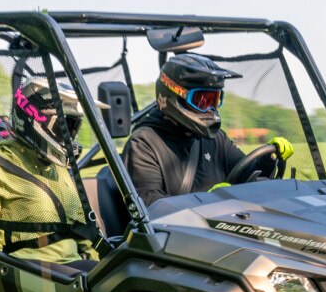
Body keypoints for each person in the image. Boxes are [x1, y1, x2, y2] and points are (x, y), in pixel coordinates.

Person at [0, 77, 103, 267]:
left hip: (72, 273)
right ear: (35, 120)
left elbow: (82, 230)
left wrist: (101, 266)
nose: (68, 137)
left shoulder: (60, 169)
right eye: (63, 127)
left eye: (72, 128)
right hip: (30, 274)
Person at [124, 53, 294, 206]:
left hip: (223, 228)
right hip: (178, 237)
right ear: (175, 95)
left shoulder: (214, 138)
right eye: (203, 101)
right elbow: (151, 205)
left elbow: (247, 174)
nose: (211, 110)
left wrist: (269, 159)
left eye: (215, 100)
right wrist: (208, 201)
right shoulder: (144, 143)